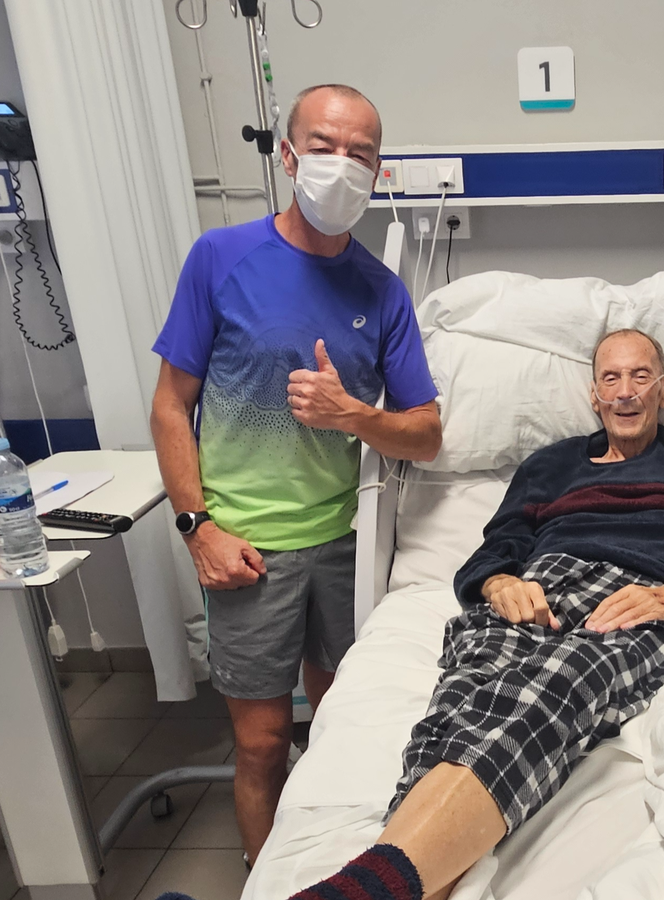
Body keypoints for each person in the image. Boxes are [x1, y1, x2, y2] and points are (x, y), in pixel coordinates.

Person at [286, 329, 664, 900]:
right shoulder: (550, 465)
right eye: (611, 378)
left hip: (634, 598)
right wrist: (498, 582)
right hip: (540, 590)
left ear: (663, 390)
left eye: (640, 376)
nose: (625, 391)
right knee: (461, 702)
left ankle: (363, 888)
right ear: (594, 395)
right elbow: (499, 545)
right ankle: (381, 887)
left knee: (565, 678)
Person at [149, 84, 442, 864]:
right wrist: (197, 529)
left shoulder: (382, 290)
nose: (341, 165)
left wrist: (355, 416)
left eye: (360, 154)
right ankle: (264, 874)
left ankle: (328, 867)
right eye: (323, 146)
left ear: (378, 172)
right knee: (263, 741)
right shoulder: (221, 259)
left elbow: (426, 434)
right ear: (287, 155)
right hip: (246, 546)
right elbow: (170, 408)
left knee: (343, 727)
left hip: (343, 546)